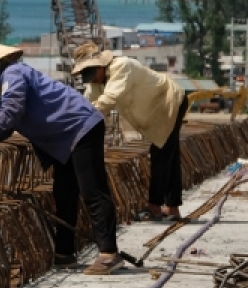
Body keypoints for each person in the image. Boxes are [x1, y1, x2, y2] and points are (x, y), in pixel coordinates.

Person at [0, 41, 123, 275]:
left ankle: (109, 254)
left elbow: (12, 109)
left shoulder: (12, 74)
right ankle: (64, 253)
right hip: (64, 137)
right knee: (64, 193)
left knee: (93, 191)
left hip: (80, 127)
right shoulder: (6, 85)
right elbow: (8, 119)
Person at [72, 42, 187, 222]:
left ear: (100, 65)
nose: (92, 79)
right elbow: (89, 103)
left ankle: (155, 207)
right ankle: (172, 209)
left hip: (169, 101)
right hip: (155, 110)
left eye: (92, 73)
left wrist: (85, 116)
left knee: (162, 154)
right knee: (168, 155)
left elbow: (109, 99)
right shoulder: (97, 81)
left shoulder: (122, 66)